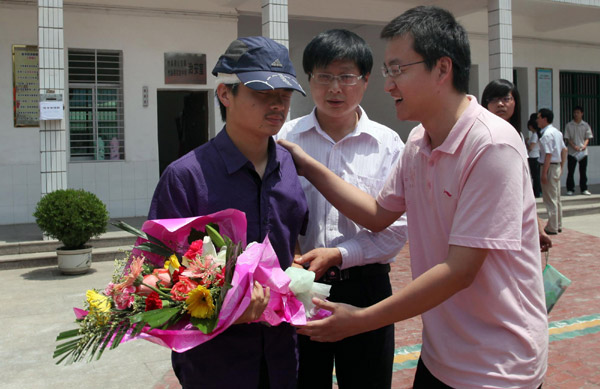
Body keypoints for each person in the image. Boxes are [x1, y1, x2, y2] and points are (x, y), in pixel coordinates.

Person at [279, 6, 548, 388]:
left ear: (442, 69)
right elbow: (376, 214)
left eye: (397, 70)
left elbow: (459, 271)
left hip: (496, 365)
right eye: (387, 71)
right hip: (440, 355)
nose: (388, 85)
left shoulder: (491, 146)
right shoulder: (418, 141)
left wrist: (360, 319)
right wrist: (307, 163)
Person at [148, 36, 309, 389]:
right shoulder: (186, 177)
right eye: (262, 94)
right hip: (215, 362)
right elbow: (154, 278)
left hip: (283, 354)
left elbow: (290, 238)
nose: (277, 105)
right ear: (225, 94)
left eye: (283, 96)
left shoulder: (288, 164)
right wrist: (227, 309)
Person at [276, 29, 408, 389]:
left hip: (367, 289)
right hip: (298, 287)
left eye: (347, 76)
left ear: (365, 81)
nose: (335, 88)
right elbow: (271, 214)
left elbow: (398, 228)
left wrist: (340, 253)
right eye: (324, 76)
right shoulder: (284, 141)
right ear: (309, 80)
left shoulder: (388, 145)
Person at [482, 80, 552, 252]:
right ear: (485, 103)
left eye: (506, 99)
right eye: (493, 99)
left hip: (513, 217)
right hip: (486, 218)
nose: (500, 104)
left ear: (515, 102)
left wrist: (536, 224)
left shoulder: (518, 136)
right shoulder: (479, 134)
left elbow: (524, 184)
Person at [537, 108, 567, 235]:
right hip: (556, 166)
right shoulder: (557, 132)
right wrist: (562, 166)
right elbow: (564, 150)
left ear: (544, 119)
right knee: (556, 197)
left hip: (548, 166)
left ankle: (552, 226)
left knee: (550, 198)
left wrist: (544, 173)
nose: (537, 120)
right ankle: (558, 224)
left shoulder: (547, 134)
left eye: (539, 117)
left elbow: (548, 154)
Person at [565, 105, 594, 195]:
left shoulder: (585, 125)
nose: (576, 114)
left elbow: (587, 137)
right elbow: (567, 138)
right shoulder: (569, 125)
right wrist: (574, 146)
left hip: (583, 152)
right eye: (575, 113)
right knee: (571, 171)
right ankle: (570, 189)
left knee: (583, 171)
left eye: (578, 112)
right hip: (572, 152)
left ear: (582, 113)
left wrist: (584, 145)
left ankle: (584, 188)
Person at [527, 114, 542, 197]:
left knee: (535, 175)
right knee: (535, 175)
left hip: (534, 156)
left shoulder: (535, 135)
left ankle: (537, 192)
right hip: (535, 156)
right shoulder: (535, 135)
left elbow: (531, 147)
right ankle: (537, 190)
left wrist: (526, 143)